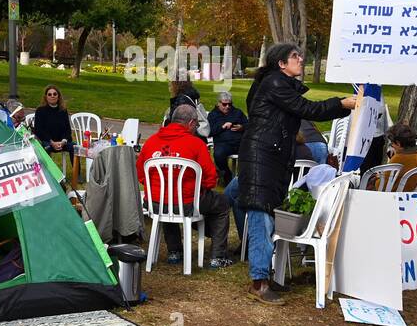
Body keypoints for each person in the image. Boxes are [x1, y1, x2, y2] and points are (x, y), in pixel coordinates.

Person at [224, 43, 359, 303]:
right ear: (281, 64)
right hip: (262, 158)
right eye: (294, 56)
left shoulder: (276, 83)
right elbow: (309, 110)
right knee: (261, 216)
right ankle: (259, 283)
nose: (300, 59)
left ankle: (265, 275)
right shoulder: (275, 83)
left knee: (263, 212)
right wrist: (342, 104)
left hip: (269, 158)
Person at [137, 104, 234, 268]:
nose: (197, 128)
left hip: (155, 203)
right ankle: (218, 256)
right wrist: (198, 187)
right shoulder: (196, 144)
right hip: (187, 202)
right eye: (196, 125)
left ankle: (174, 252)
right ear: (190, 123)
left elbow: (140, 174)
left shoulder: (151, 142)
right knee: (222, 203)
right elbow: (211, 179)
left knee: (168, 199)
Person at [207, 90, 247, 185]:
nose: (228, 107)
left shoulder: (237, 112)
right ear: (218, 103)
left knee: (250, 152)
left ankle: (244, 177)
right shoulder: (213, 115)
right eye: (224, 104)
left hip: (239, 142)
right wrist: (222, 126)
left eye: (229, 104)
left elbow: (249, 124)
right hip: (223, 144)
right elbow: (210, 132)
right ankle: (226, 174)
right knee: (218, 154)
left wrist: (242, 127)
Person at [31, 85, 74, 163]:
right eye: (49, 94)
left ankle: (77, 174)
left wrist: (63, 142)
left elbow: (68, 130)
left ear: (58, 96)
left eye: (55, 94)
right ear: (46, 97)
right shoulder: (40, 110)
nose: (52, 96)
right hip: (47, 141)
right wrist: (52, 142)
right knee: (46, 148)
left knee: (75, 147)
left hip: (62, 142)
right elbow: (38, 130)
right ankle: (49, 174)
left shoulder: (63, 110)